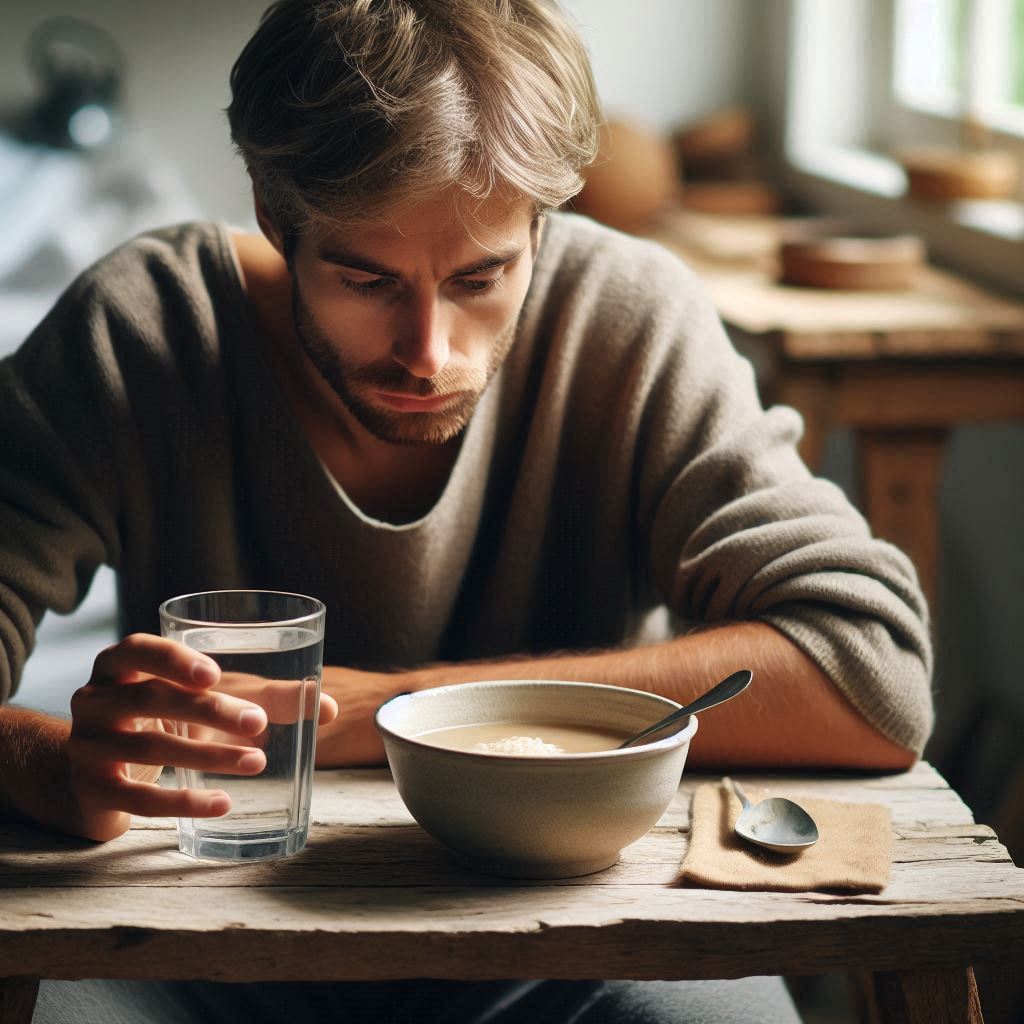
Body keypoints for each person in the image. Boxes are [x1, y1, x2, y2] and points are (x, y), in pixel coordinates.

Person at [0, 0, 932, 1020]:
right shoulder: (145, 326)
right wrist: (49, 766)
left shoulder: (627, 320)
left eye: (481, 276)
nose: (428, 351)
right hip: (189, 947)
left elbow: (869, 668)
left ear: (542, 226)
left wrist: (375, 714)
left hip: (585, 946)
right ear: (275, 213)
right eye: (366, 277)